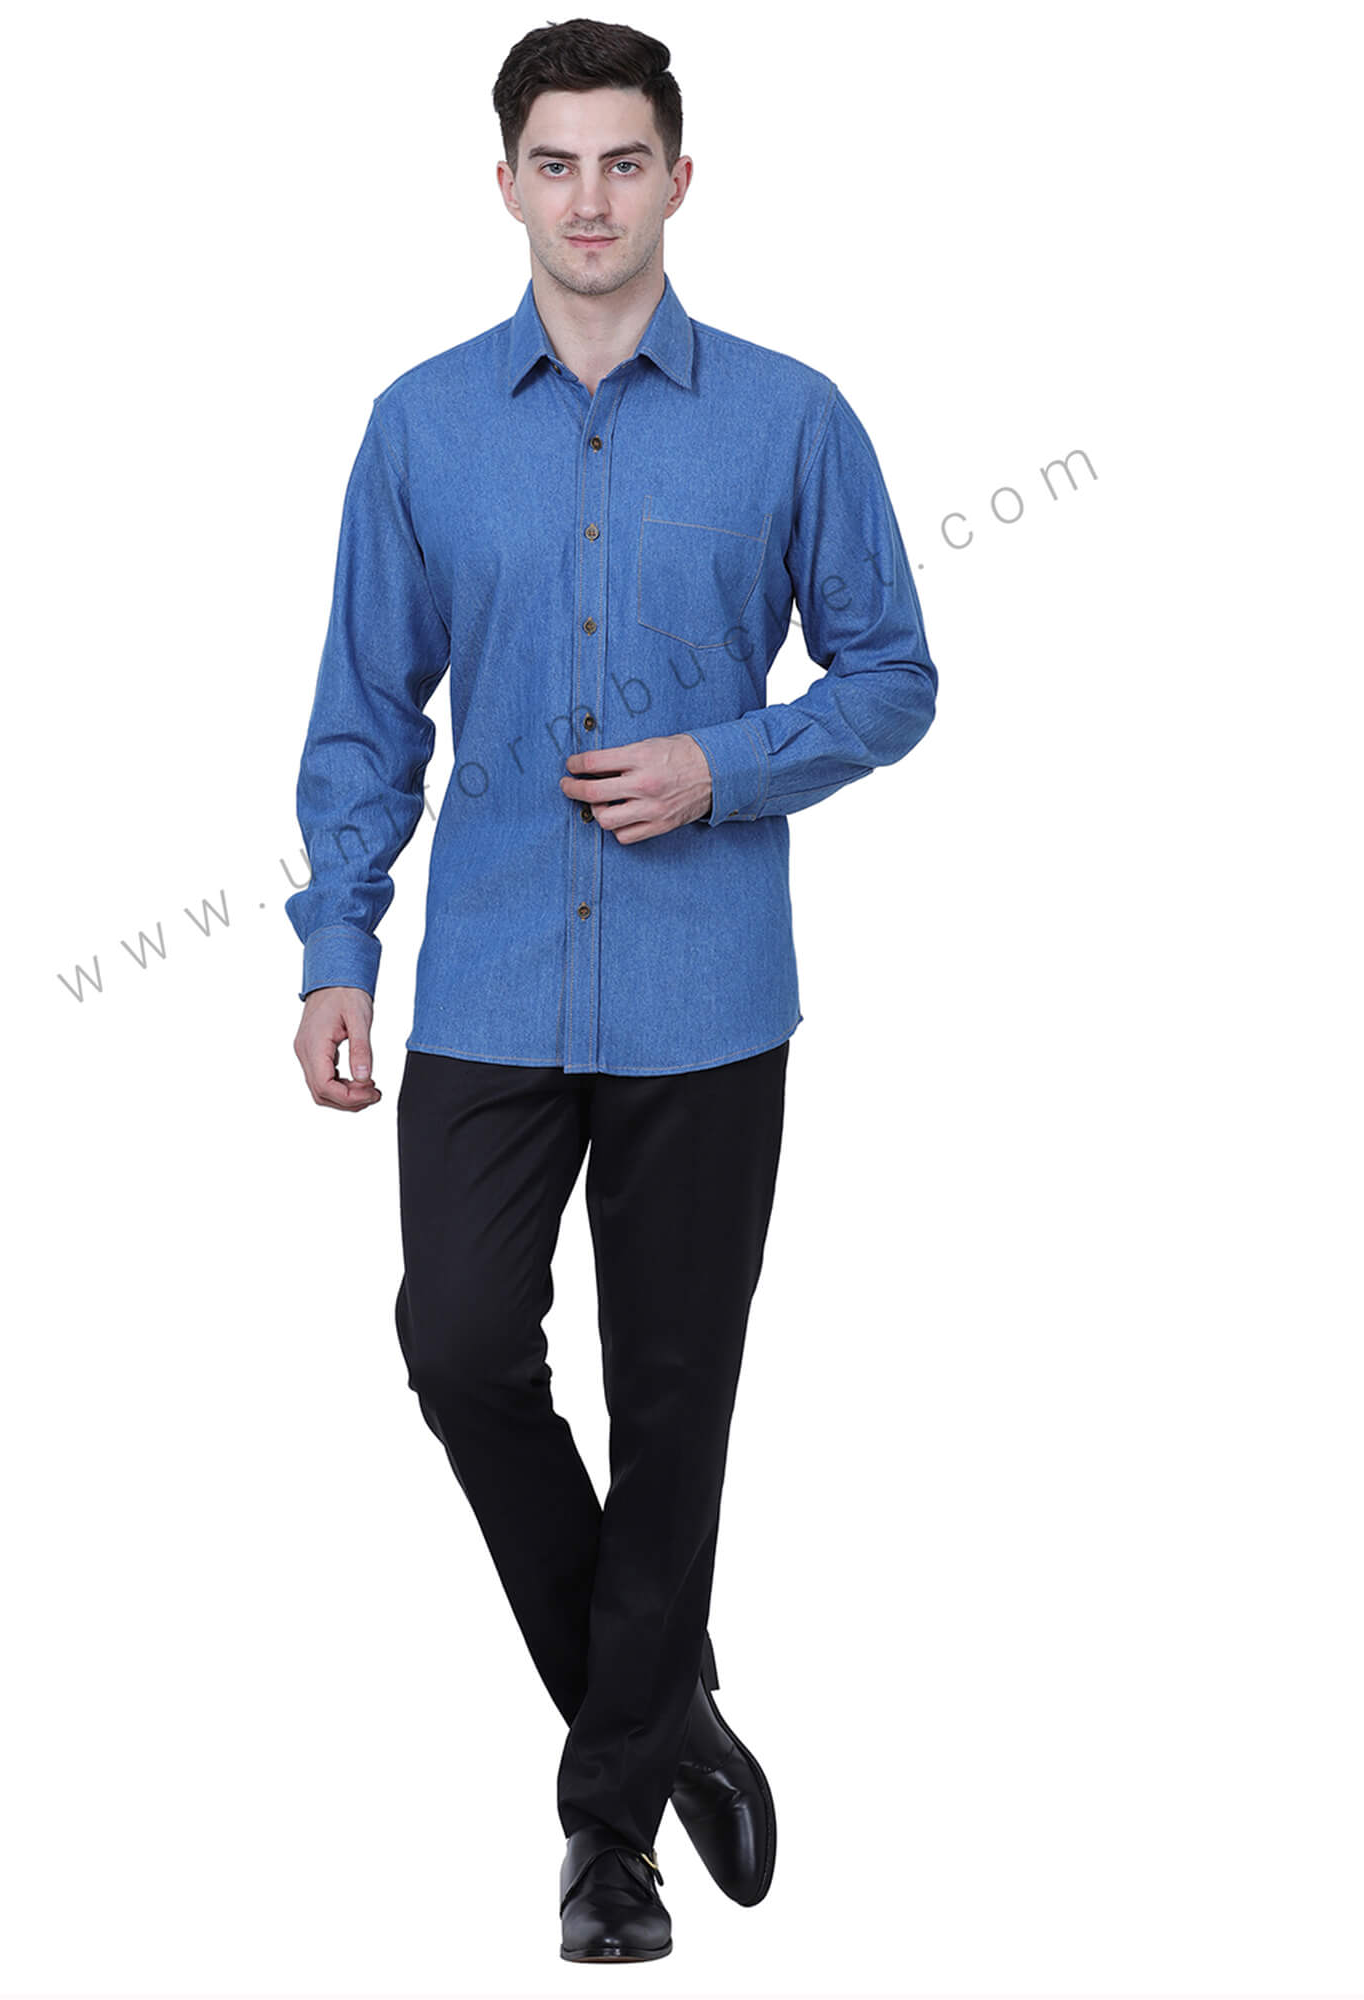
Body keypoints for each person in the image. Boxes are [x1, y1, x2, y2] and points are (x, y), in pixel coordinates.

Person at [287, 16, 939, 1966]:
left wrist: (723, 765)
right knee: (461, 1346)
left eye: (623, 161)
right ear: (505, 185)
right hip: (489, 975)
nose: (590, 199)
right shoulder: (419, 426)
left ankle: (608, 1836)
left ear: (679, 178)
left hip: (704, 997)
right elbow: (365, 711)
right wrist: (337, 942)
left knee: (673, 1400)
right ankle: (669, 1707)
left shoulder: (792, 420)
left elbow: (893, 675)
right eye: (554, 164)